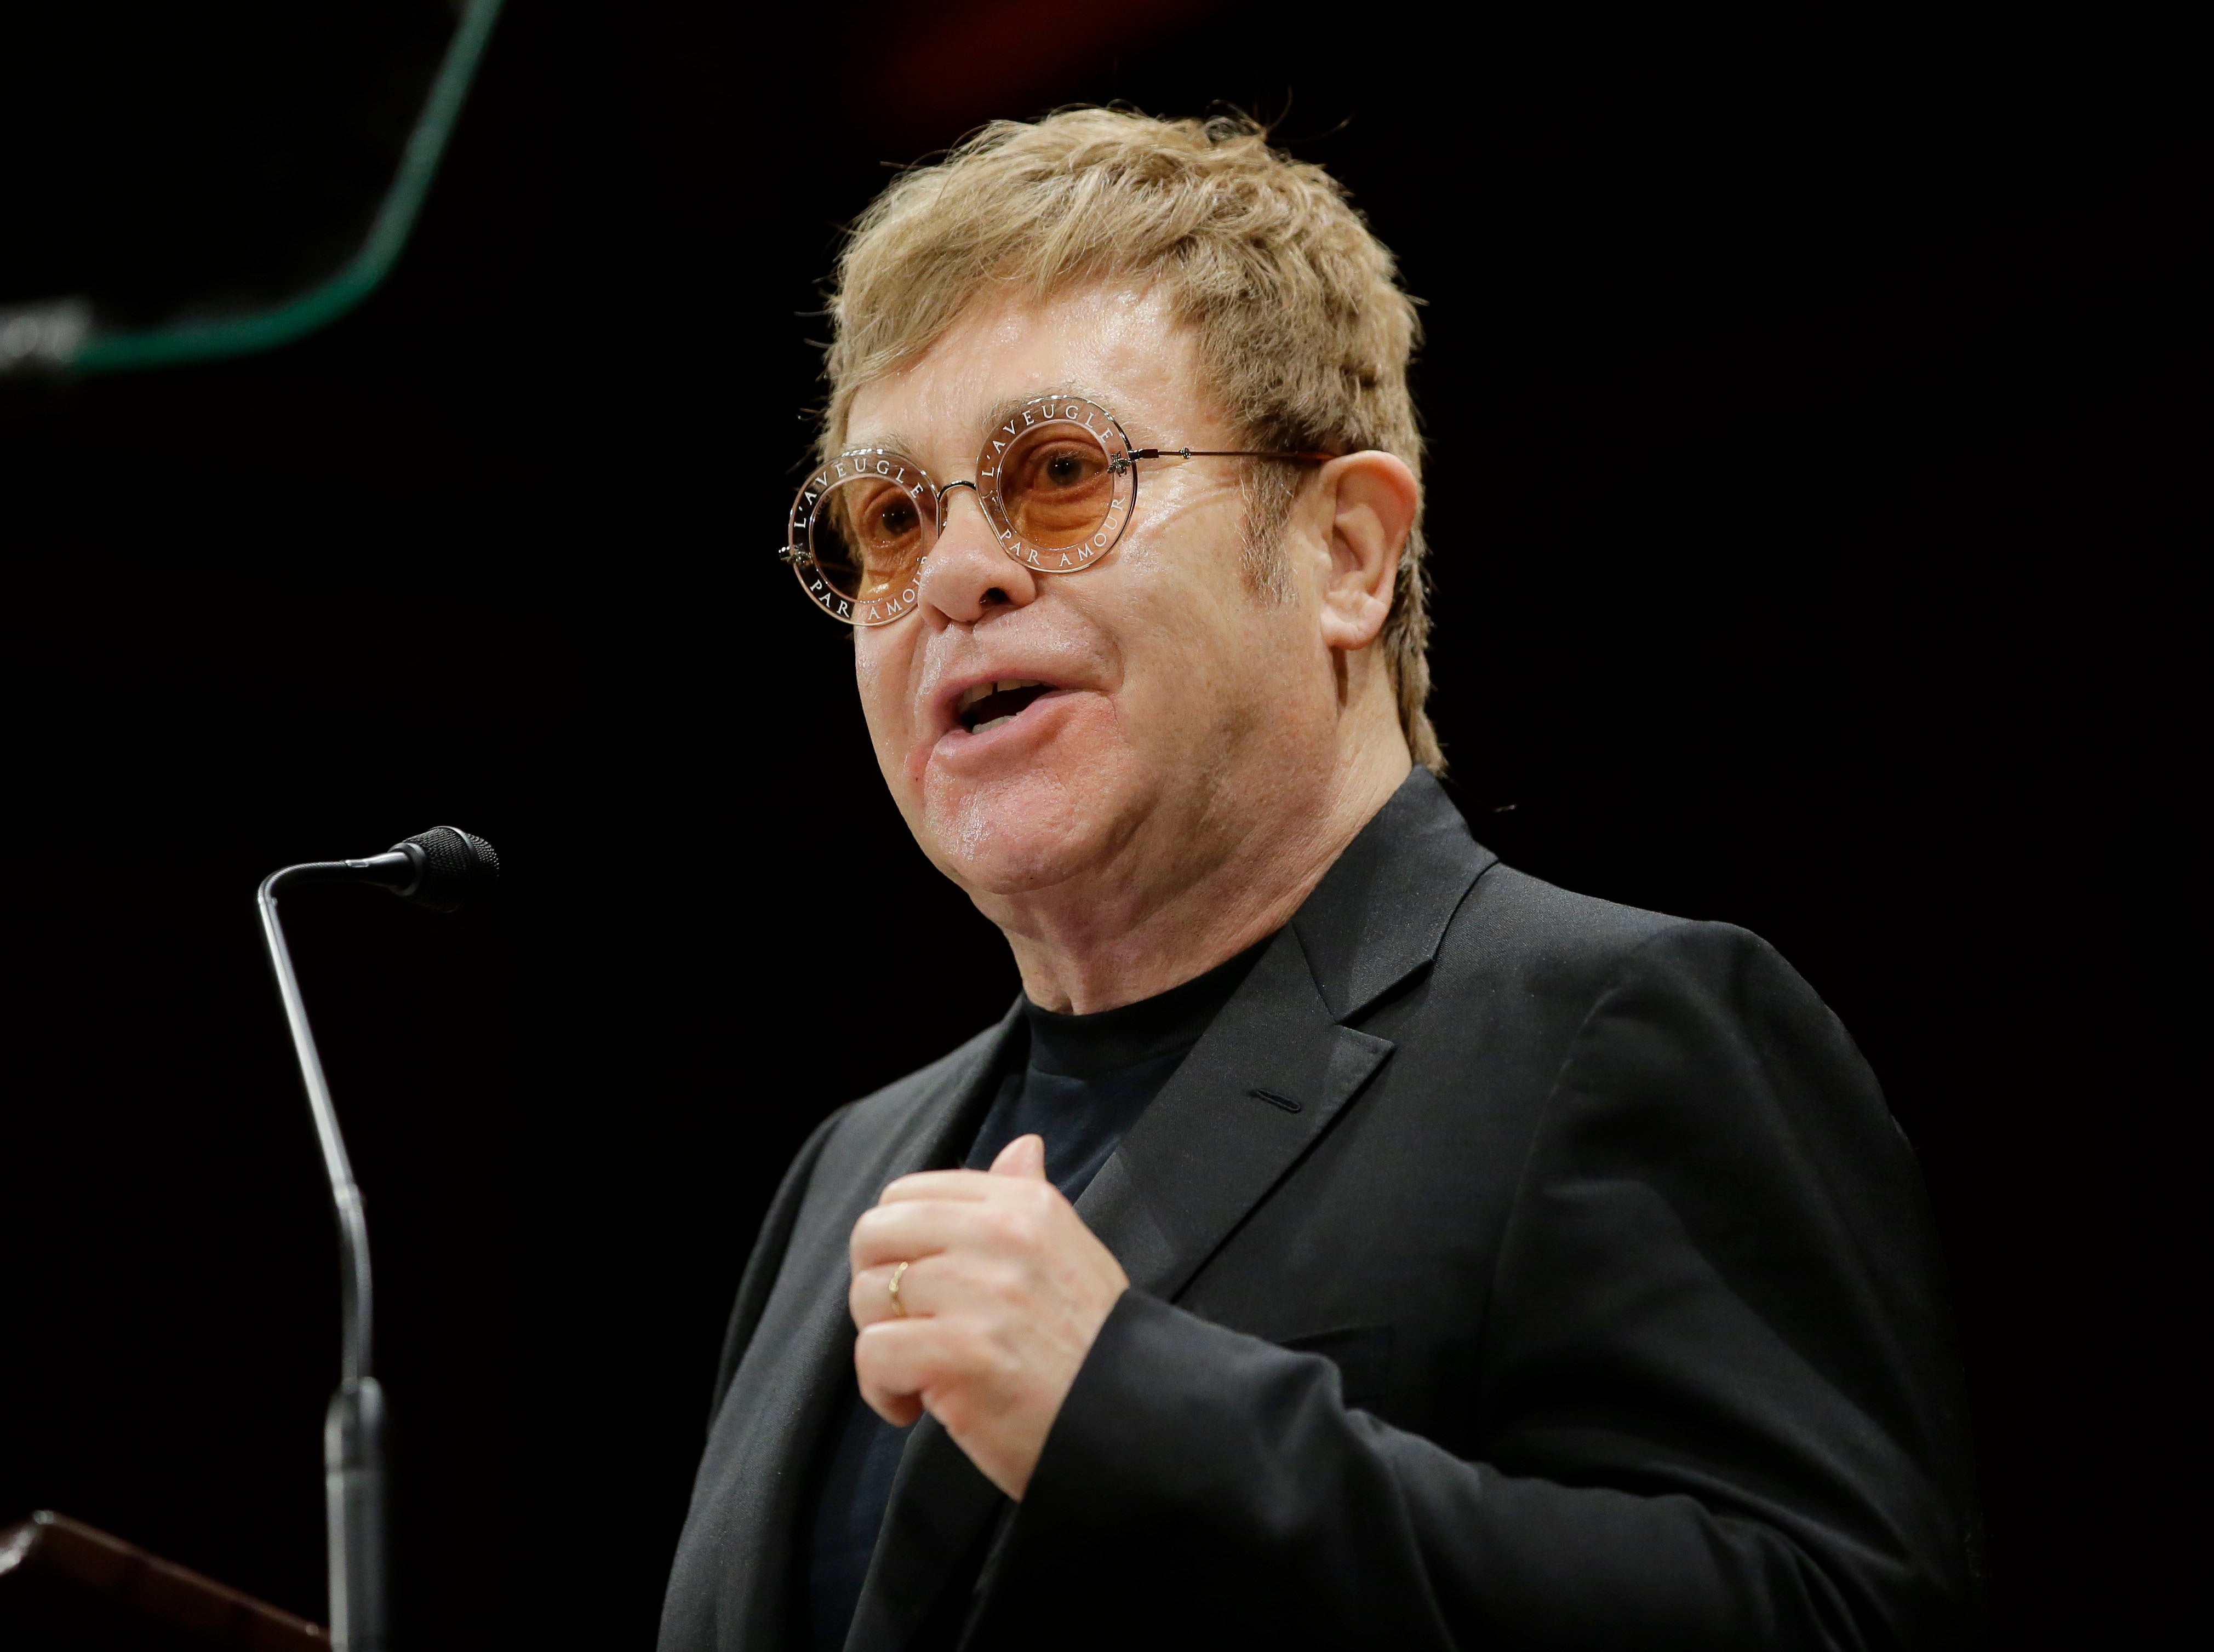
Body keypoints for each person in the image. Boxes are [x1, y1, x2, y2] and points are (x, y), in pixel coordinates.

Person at [659, 109, 1978, 1651]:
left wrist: (1128, 1413)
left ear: (1346, 551)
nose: (955, 575)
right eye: (890, 517)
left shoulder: (1607, 1027)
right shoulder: (847, 1170)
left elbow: (1835, 1620)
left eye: (1062, 473)